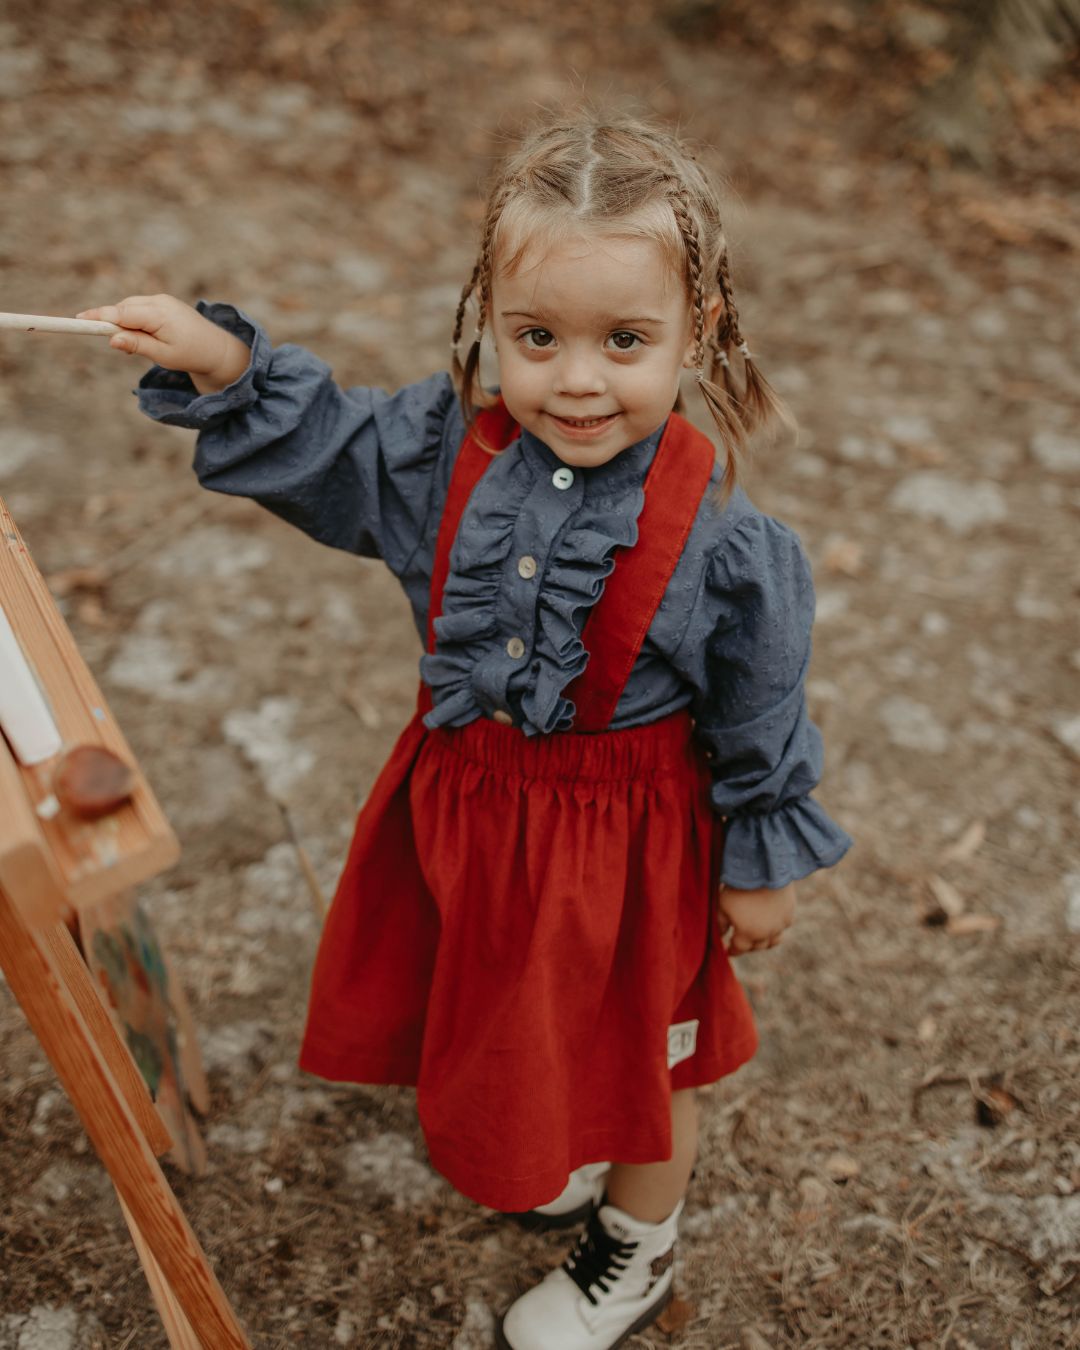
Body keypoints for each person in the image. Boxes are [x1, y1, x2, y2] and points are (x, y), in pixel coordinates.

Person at [80, 110, 851, 1350]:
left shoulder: (727, 543)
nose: (577, 378)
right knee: (507, 996)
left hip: (632, 848)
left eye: (625, 340)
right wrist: (227, 366)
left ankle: (636, 1247)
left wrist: (761, 856)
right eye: (536, 336)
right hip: (476, 811)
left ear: (697, 333)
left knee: (653, 1060)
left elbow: (761, 706)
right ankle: (552, 1136)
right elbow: (322, 441)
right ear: (487, 314)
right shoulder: (441, 452)